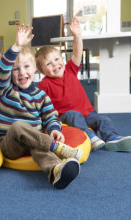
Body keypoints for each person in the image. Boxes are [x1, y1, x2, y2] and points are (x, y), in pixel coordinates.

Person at [0, 24, 82, 189]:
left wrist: (55, 129)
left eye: (27, 67)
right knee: (19, 126)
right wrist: (16, 47)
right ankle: (56, 147)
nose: (21, 72)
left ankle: (56, 171)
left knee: (41, 150)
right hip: (10, 143)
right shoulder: (6, 90)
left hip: (35, 140)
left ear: (35, 69)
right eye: (16, 69)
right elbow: (3, 68)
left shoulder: (41, 95)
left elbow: (50, 116)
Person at [36, 17, 131, 152]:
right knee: (74, 115)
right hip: (66, 117)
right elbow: (41, 104)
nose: (55, 64)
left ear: (62, 60)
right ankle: (90, 136)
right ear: (41, 71)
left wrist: (77, 35)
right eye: (48, 64)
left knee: (104, 119)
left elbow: (77, 53)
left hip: (87, 114)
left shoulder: (70, 69)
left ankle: (112, 139)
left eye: (57, 59)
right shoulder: (44, 84)